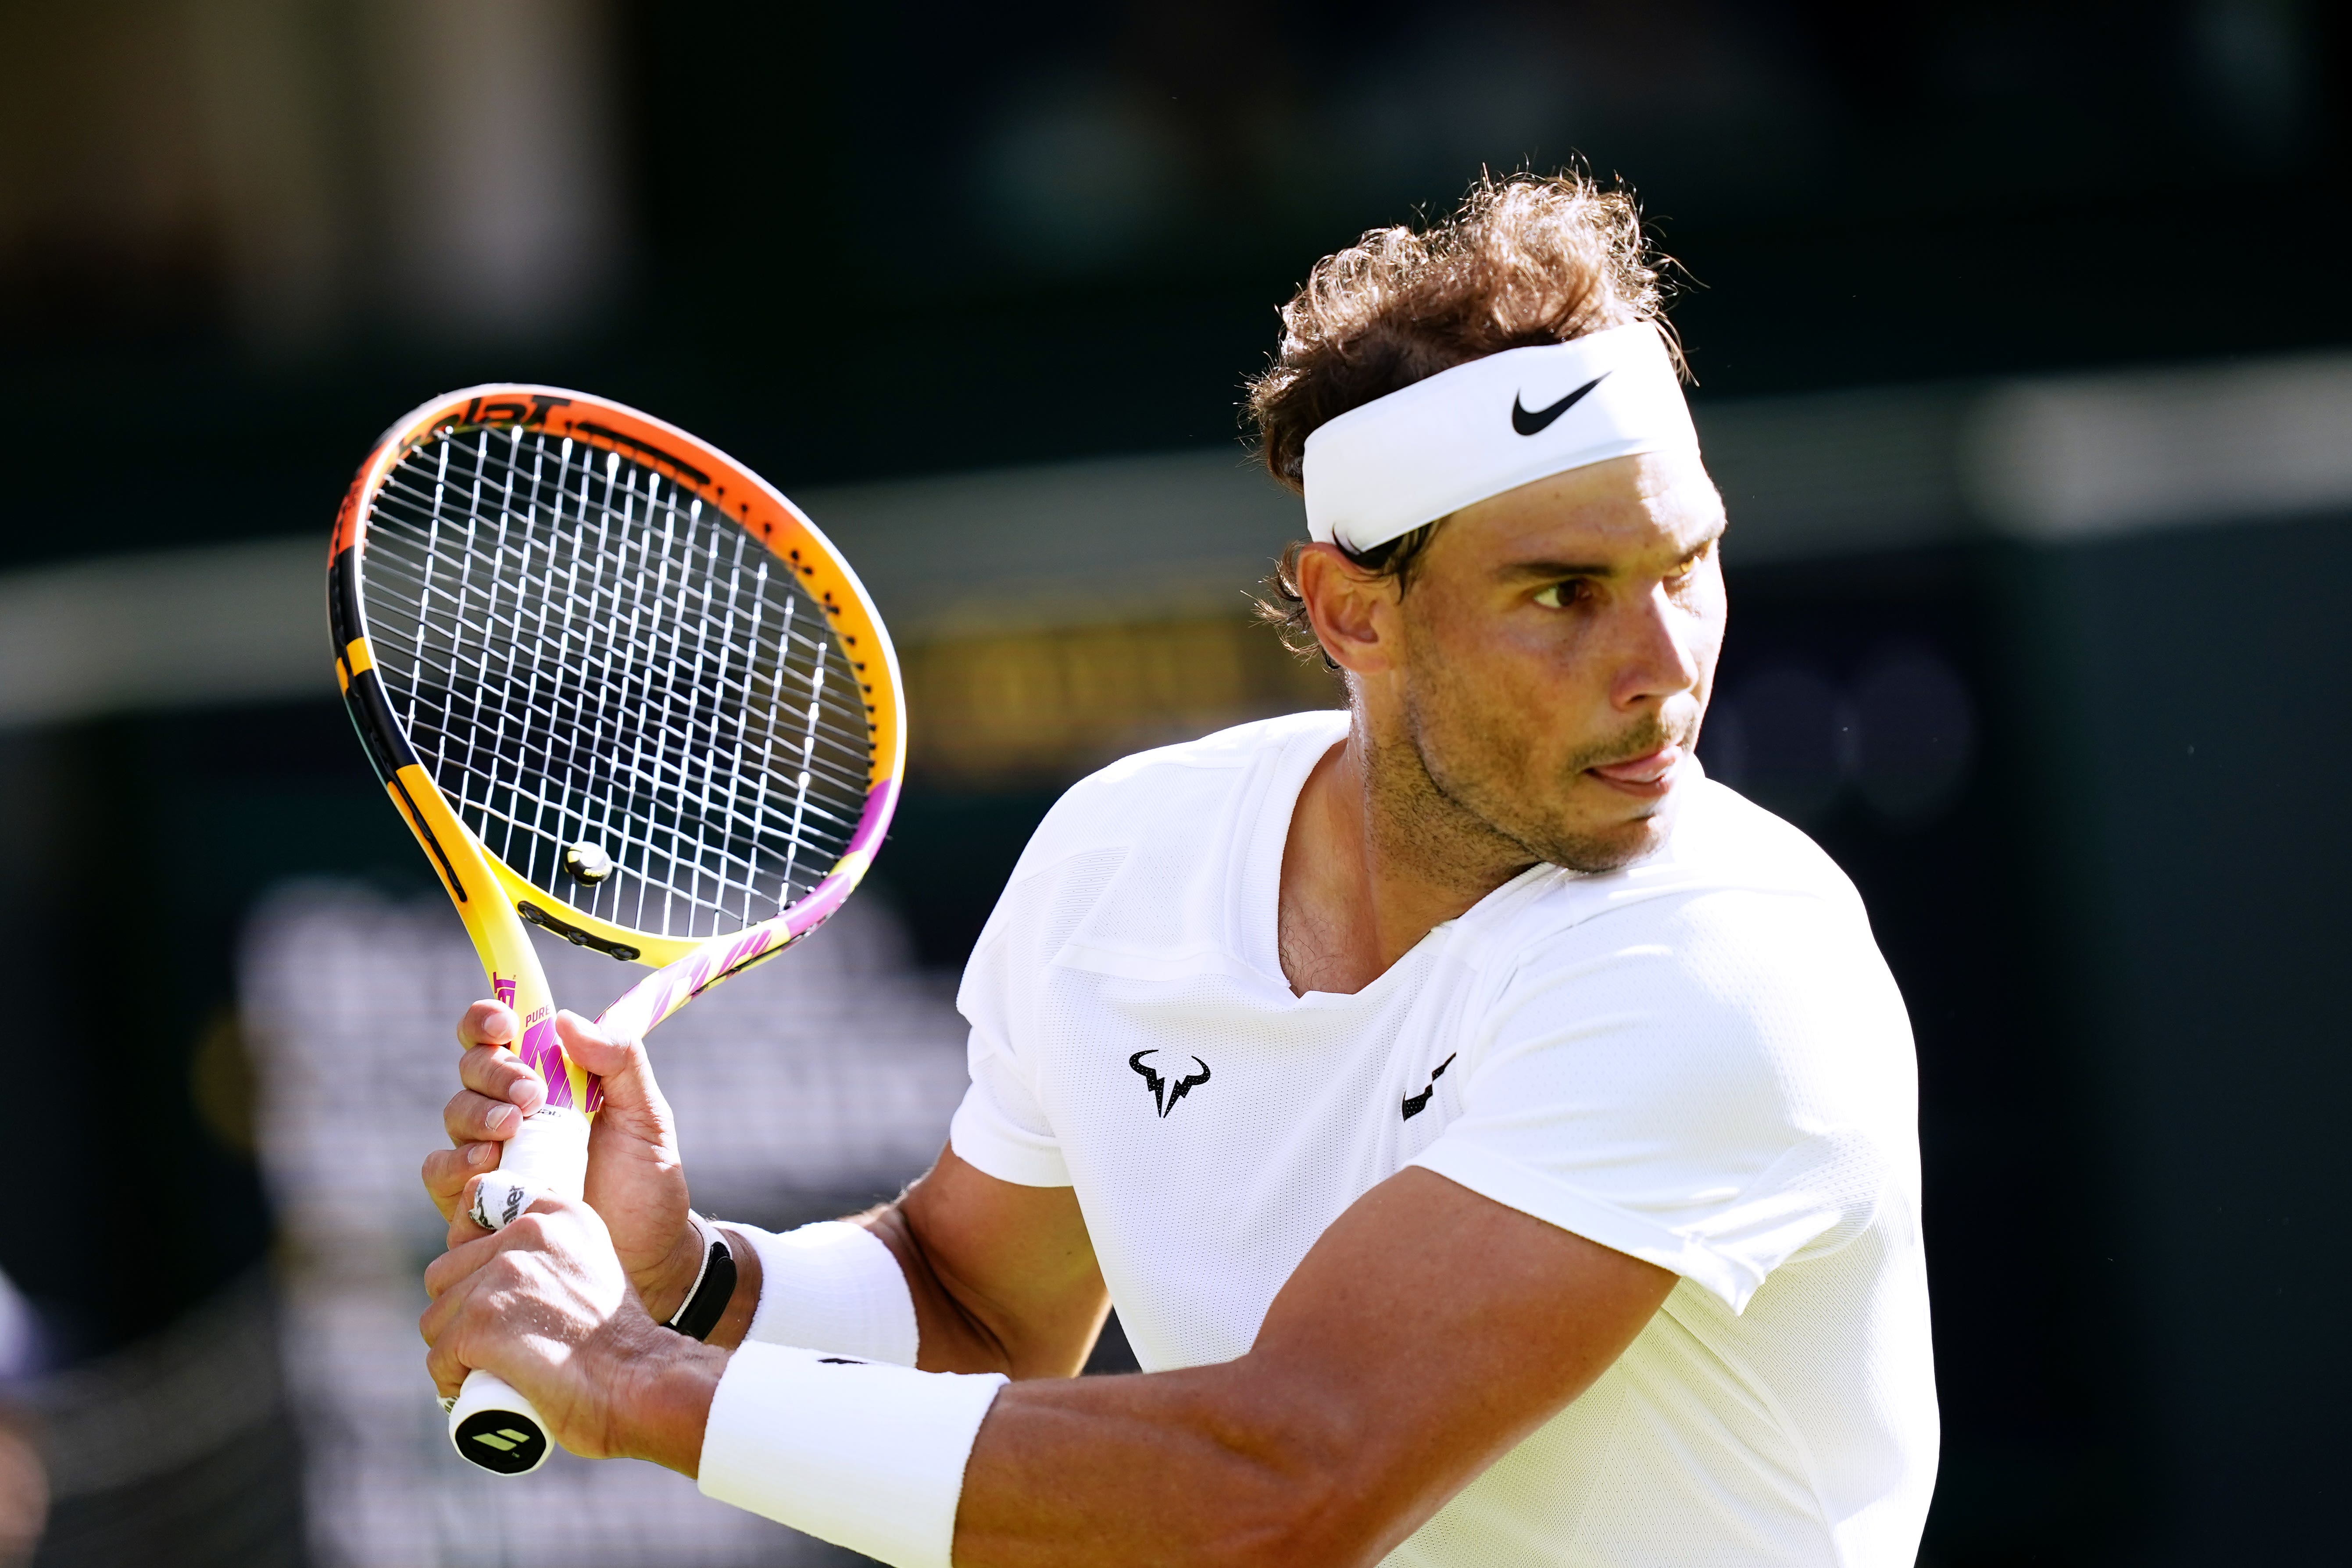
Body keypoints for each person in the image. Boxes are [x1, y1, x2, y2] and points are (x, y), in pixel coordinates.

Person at [418, 171, 1937, 1568]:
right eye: (1562, 594)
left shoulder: (1726, 963)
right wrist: (684, 1276)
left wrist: (632, 1380)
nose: (1665, 666)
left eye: (1687, 566)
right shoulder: (1123, 861)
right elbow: (978, 1309)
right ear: (1351, 613)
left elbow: (1283, 1487)